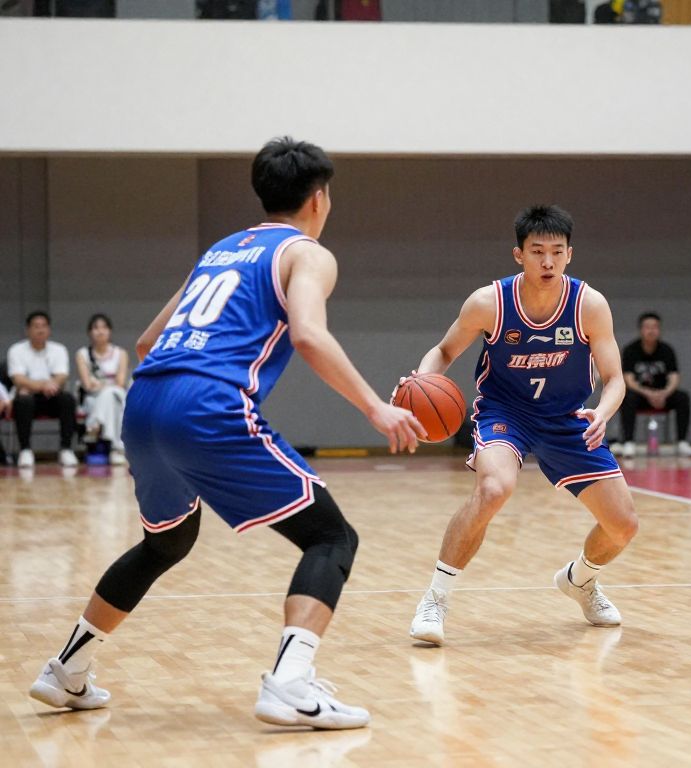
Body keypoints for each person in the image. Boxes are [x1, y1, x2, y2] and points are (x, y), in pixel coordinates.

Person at [28, 137, 425, 729]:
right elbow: (309, 336)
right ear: (319, 198)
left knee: (166, 542)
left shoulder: (221, 250)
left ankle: (66, 670)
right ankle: (290, 685)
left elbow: (143, 344)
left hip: (146, 398)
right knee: (331, 538)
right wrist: (376, 408)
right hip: (207, 405)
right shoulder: (308, 254)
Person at [407, 204, 639, 646]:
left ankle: (580, 580)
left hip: (568, 418)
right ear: (519, 255)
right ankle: (435, 599)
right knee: (494, 489)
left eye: (556, 252)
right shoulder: (489, 302)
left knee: (623, 526)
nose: (547, 262)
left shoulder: (589, 305)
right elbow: (442, 351)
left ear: (570, 254)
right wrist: (423, 378)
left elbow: (614, 380)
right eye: (537, 252)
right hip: (505, 413)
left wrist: (603, 412)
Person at [615, 311, 691, 457]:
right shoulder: (631, 350)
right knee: (627, 397)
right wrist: (649, 393)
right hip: (641, 395)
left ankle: (682, 442)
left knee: (683, 397)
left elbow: (674, 376)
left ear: (659, 330)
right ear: (641, 330)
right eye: (647, 327)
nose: (651, 330)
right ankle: (628, 442)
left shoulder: (667, 350)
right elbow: (628, 379)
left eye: (655, 327)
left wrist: (664, 393)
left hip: (662, 395)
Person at [7, 311, 78, 468]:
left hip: (51, 397)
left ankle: (66, 449)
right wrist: (44, 384)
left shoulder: (59, 350)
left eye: (44, 326)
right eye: (36, 326)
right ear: (28, 330)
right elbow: (18, 379)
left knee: (67, 399)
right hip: (27, 399)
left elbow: (61, 376)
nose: (40, 330)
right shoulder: (16, 350)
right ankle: (25, 450)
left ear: (49, 329)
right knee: (23, 401)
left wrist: (44, 385)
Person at [75, 313, 130, 465]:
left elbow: (120, 383)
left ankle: (95, 424)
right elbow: (87, 385)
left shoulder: (121, 353)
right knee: (111, 401)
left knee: (112, 395)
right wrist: (106, 384)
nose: (100, 331)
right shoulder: (82, 354)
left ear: (110, 331)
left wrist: (100, 383)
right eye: (96, 328)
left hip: (117, 394)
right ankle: (116, 449)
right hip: (92, 398)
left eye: (104, 327)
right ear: (89, 332)